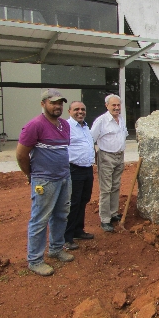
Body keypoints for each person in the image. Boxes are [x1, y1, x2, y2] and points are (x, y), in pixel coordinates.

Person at [16, 89, 74, 276]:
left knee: (61, 215)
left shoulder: (64, 125)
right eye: (53, 102)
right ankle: (35, 259)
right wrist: (32, 175)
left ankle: (56, 249)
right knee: (40, 219)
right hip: (45, 180)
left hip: (64, 177)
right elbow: (21, 154)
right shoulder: (34, 125)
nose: (57, 106)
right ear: (43, 104)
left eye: (60, 103)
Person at [91, 94, 128, 233]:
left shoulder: (121, 120)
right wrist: (94, 157)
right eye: (114, 105)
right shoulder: (101, 121)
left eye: (118, 105)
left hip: (119, 157)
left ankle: (113, 213)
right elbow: (91, 139)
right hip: (106, 157)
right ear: (107, 106)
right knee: (106, 189)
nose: (117, 108)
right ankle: (105, 219)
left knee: (116, 186)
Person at [64, 101, 95, 250]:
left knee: (84, 200)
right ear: (69, 111)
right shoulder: (66, 127)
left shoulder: (85, 127)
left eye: (83, 109)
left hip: (87, 169)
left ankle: (78, 230)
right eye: (76, 109)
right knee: (73, 202)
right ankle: (67, 237)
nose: (80, 112)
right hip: (74, 169)